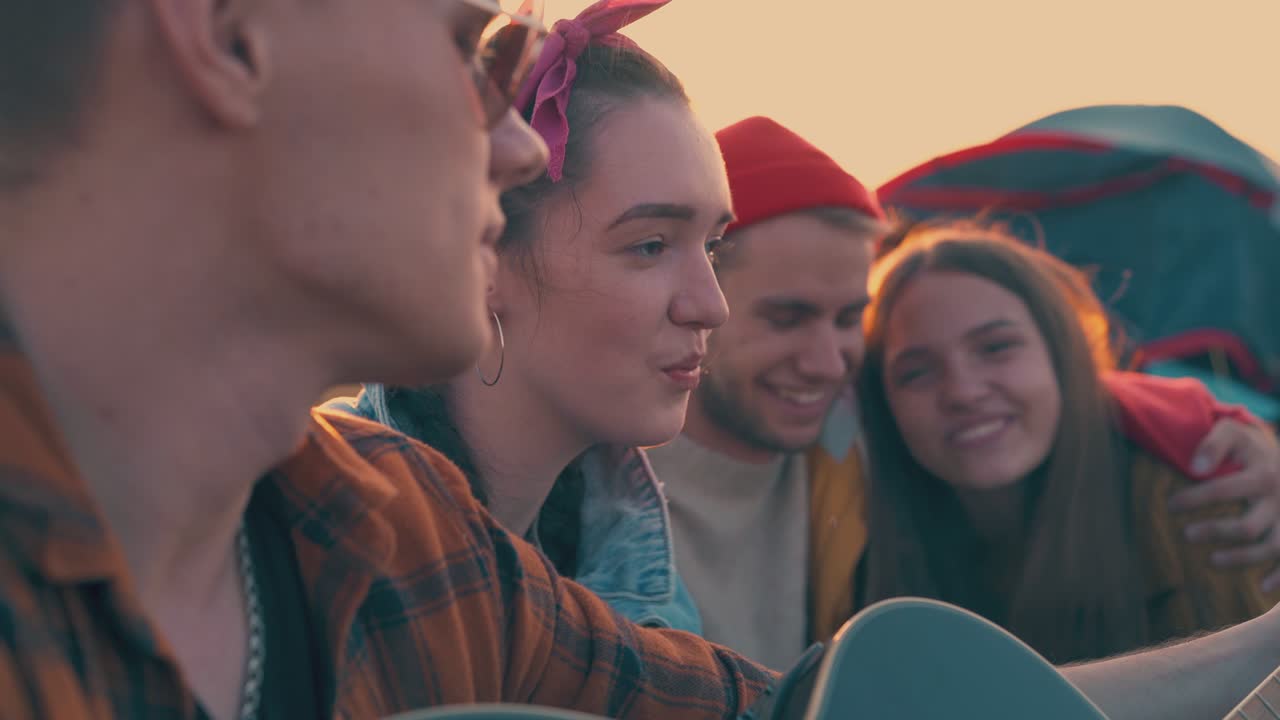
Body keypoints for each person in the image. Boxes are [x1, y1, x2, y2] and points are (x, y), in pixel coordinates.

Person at [2, 3, 1279, 720]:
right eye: (469, 45)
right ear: (224, 33)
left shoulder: (391, 531)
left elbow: (782, 717)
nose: (509, 148)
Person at [649, 115, 1280, 667]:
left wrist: (1205, 426)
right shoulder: (610, 470)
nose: (825, 362)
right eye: (787, 318)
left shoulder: (842, 433)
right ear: (702, 299)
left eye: (848, 319)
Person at [325, 0, 729, 633]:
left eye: (712, 246)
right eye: (650, 245)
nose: (711, 305)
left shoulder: (646, 585)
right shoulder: (326, 531)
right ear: (488, 252)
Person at [854, 220, 1280, 663]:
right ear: (882, 401)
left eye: (996, 347)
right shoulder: (857, 538)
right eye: (916, 371)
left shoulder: (1200, 493)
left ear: (1063, 355)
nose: (962, 391)